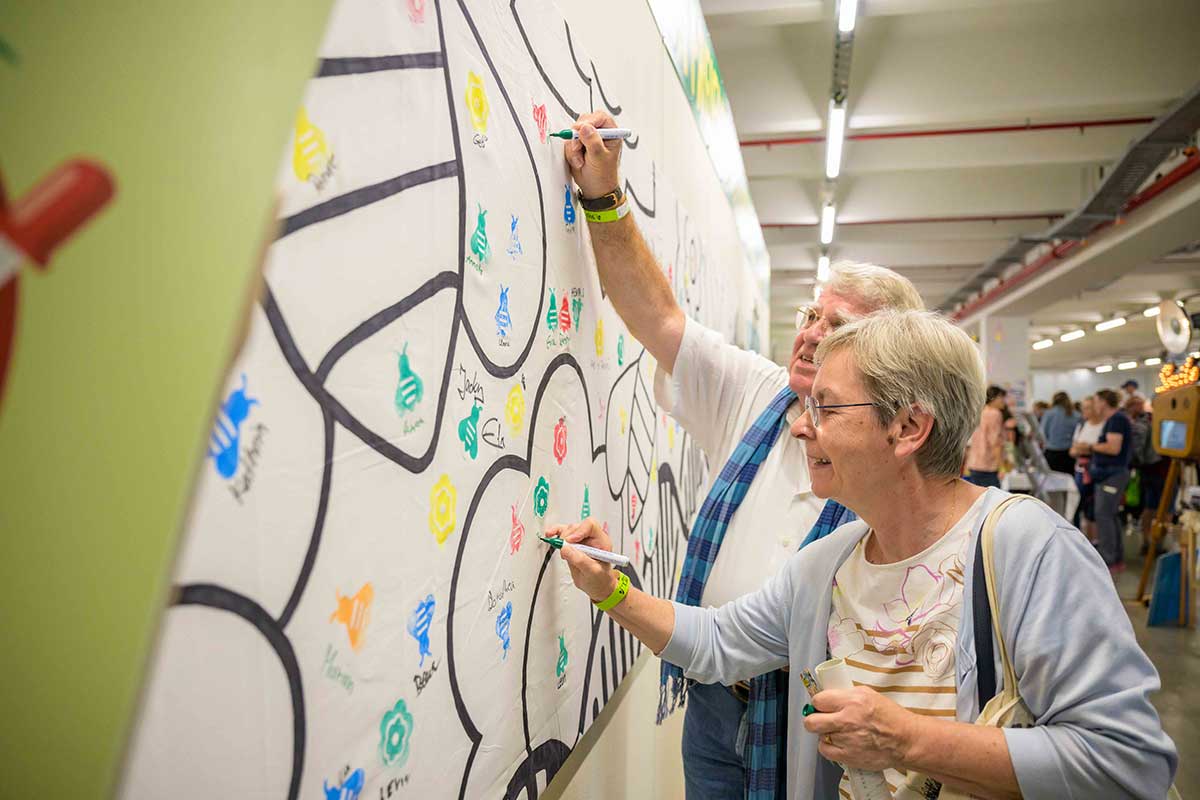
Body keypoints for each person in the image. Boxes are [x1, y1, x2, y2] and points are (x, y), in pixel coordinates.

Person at [549, 311, 1176, 799]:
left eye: (825, 406)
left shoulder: (1030, 551)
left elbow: (1127, 765)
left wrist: (906, 740)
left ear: (908, 428)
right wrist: (613, 590)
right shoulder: (829, 563)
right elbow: (717, 642)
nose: (800, 426)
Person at [563, 109, 924, 798]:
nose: (811, 335)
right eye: (812, 316)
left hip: (813, 719)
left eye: (838, 327)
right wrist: (604, 201)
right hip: (714, 702)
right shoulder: (760, 393)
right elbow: (657, 316)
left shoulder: (891, 460)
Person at [1075, 388, 1134, 572]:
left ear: (1104, 402)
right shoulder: (1115, 420)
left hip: (1112, 476)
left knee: (1104, 515)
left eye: (1096, 401)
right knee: (1110, 515)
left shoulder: (1116, 420)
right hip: (1109, 475)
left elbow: (1113, 448)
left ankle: (1109, 559)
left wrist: (1090, 446)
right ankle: (1114, 556)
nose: (1094, 405)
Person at [1069, 396, 1103, 539]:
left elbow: (1101, 448)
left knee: (1093, 509)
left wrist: (1085, 448)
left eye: (1088, 407)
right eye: (1083, 407)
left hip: (1096, 471)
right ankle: (1077, 537)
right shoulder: (1081, 425)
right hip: (1080, 470)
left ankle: (1094, 540)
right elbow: (1073, 450)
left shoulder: (1104, 426)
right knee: (1076, 504)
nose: (1084, 411)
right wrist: (1083, 449)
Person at [964, 386, 1006, 487]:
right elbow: (995, 442)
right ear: (993, 398)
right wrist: (1002, 467)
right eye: (1001, 397)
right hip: (988, 465)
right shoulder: (995, 414)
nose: (1003, 401)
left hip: (974, 464)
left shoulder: (979, 413)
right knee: (994, 501)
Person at [1039, 391, 1079, 473]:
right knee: (1068, 480)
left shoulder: (1048, 414)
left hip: (1052, 452)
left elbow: (1043, 434)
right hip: (1069, 453)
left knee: (1052, 481)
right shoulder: (1076, 415)